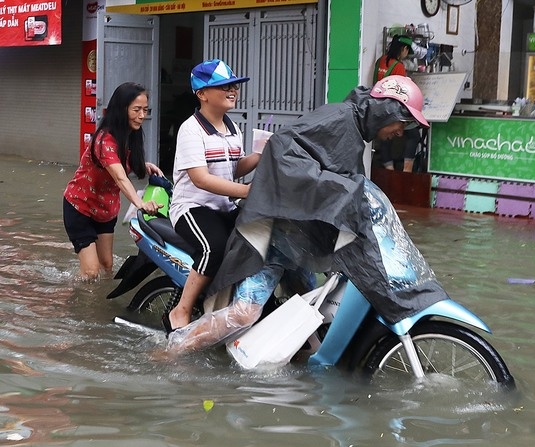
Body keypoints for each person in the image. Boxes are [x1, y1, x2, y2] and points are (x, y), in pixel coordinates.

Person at [165, 75, 448, 355]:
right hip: (274, 234)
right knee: (243, 314)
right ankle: (173, 350)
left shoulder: (354, 130)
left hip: (299, 237)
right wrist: (339, 188)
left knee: (309, 304)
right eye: (403, 121)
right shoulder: (338, 118)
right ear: (387, 109)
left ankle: (306, 363)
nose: (401, 131)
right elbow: (282, 151)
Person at [164, 59, 262, 333]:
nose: (232, 90)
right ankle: (181, 310)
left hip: (223, 206)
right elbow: (201, 178)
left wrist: (259, 156)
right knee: (214, 248)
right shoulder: (191, 129)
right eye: (223, 86)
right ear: (202, 94)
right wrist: (246, 191)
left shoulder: (233, 128)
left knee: (257, 236)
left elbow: (234, 168)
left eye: (234, 86)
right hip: (192, 207)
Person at [63, 82, 163, 281]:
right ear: (121, 109)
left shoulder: (130, 136)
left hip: (106, 210)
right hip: (80, 207)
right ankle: (76, 296)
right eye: (136, 110)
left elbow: (122, 162)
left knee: (107, 266)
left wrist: (143, 164)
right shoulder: (104, 139)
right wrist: (140, 203)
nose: (142, 115)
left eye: (145, 110)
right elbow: (119, 176)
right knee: (92, 272)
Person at [373, 35, 426, 172]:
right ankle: (406, 171)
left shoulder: (380, 61)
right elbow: (401, 92)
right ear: (403, 48)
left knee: (385, 137)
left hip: (377, 105)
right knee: (414, 135)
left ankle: (388, 170)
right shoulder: (399, 67)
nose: (406, 54)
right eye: (407, 51)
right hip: (392, 108)